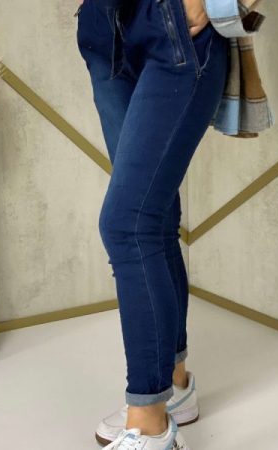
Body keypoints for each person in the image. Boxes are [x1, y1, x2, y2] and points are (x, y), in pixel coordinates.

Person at [75, 0, 229, 448]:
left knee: (127, 224)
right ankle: (174, 386)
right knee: (154, 218)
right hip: (104, 29)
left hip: (173, 25)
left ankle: (149, 424)